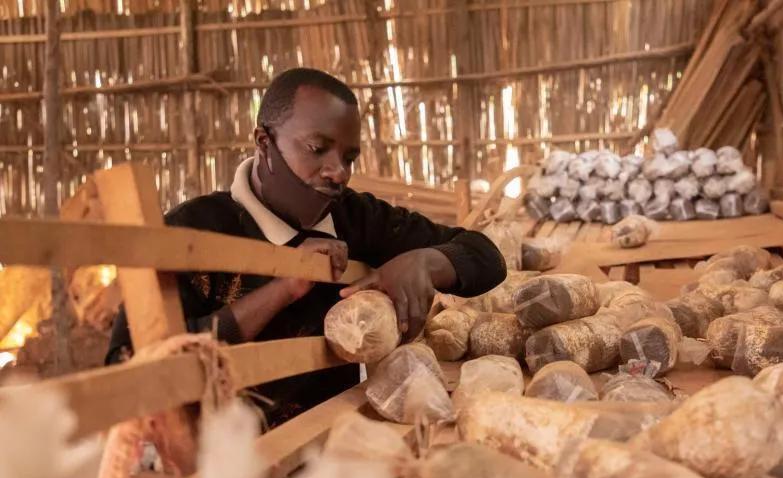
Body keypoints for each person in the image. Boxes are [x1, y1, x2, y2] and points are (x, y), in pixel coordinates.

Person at [107, 67, 507, 424]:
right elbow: (126, 371)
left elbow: (485, 256)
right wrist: (282, 290)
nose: (338, 173)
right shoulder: (192, 231)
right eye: (318, 150)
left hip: (324, 455)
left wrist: (426, 261)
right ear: (264, 143)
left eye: (348, 157)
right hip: (219, 471)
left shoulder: (354, 217)